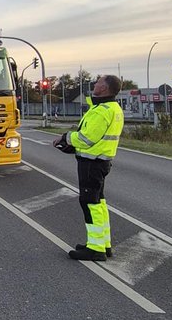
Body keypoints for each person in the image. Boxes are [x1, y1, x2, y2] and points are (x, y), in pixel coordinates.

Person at [53, 74, 124, 263]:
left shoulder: (101, 111)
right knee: (98, 203)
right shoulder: (112, 108)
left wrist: (65, 138)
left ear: (105, 88)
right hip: (100, 161)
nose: (96, 84)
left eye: (99, 82)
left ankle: (95, 249)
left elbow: (86, 138)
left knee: (89, 204)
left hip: (91, 162)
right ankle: (102, 243)